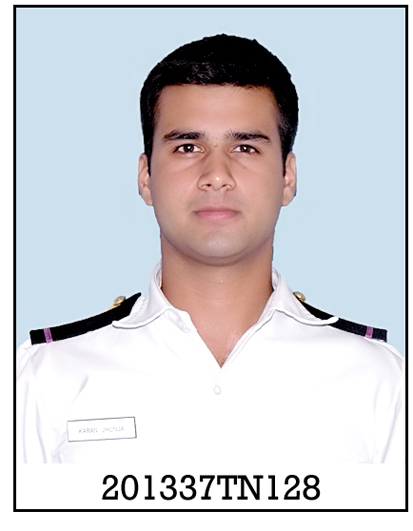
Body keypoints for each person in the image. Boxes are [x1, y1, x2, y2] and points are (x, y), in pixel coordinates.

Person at [17, 34, 404, 466]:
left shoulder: (379, 380)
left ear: (288, 177)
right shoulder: (45, 375)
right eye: (187, 147)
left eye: (245, 147)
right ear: (146, 177)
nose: (217, 174)